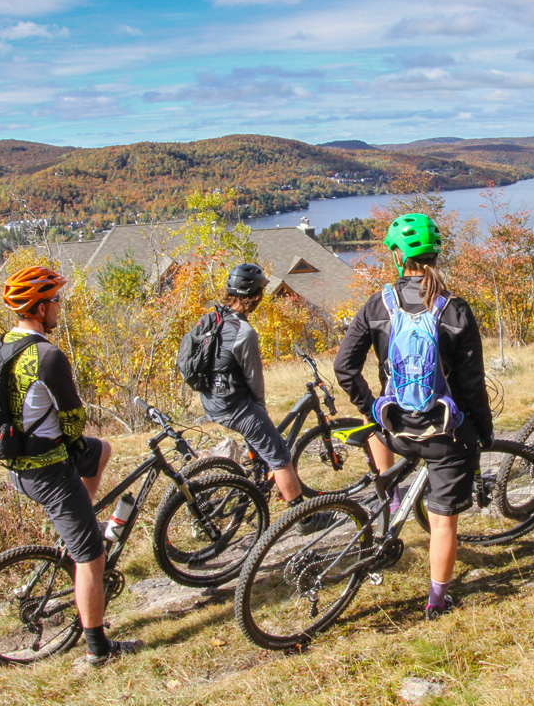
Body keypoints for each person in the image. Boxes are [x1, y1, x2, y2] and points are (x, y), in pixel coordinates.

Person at [334, 213, 493, 620]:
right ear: (436, 255)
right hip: (443, 435)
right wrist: (483, 431)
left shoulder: (377, 304)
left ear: (396, 256)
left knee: (372, 431)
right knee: (443, 523)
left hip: (394, 432)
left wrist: (372, 406)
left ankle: (390, 498)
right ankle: (437, 602)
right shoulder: (454, 309)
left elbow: (344, 367)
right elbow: (472, 385)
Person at [0, 266, 142, 666]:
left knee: (100, 450)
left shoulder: (2, 347)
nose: (60, 306)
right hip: (49, 472)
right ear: (41, 308)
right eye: (56, 300)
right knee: (92, 555)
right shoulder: (47, 355)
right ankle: (98, 649)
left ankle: (81, 524)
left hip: (18, 465)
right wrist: (67, 434)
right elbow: (73, 419)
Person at [199, 263, 332, 528]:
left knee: (261, 436)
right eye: (261, 292)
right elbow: (254, 379)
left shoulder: (213, 317)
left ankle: (257, 475)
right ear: (254, 295)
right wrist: (261, 408)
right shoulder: (244, 332)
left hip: (211, 399)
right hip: (232, 405)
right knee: (280, 456)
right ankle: (304, 519)